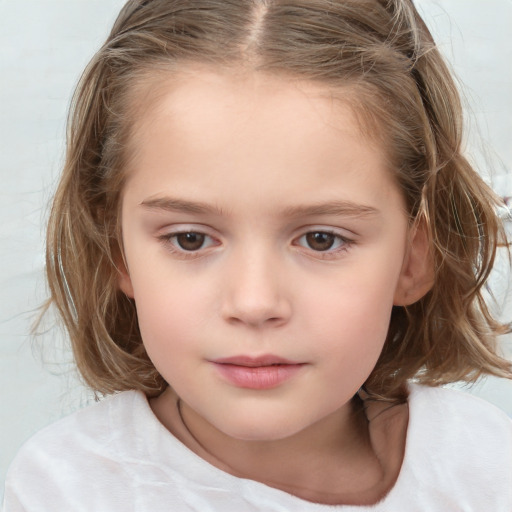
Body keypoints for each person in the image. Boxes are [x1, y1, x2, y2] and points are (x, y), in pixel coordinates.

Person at [3, 0, 512, 510]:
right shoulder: (68, 490)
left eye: (321, 239)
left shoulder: (487, 467)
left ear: (412, 260)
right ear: (116, 251)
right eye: (190, 239)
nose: (253, 302)